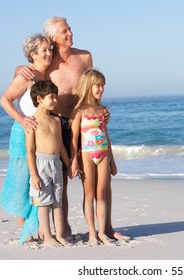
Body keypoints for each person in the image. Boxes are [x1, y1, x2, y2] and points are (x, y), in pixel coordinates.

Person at [17, 16, 129, 241]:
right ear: (52, 37)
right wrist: (19, 67)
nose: (70, 33)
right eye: (64, 31)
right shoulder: (48, 61)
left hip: (85, 121)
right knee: (61, 177)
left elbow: (92, 87)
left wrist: (100, 109)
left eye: (70, 29)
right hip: (59, 123)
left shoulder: (84, 56)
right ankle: (64, 229)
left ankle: (106, 227)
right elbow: (31, 70)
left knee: (101, 176)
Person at [0, 33, 53, 244]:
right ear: (33, 54)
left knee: (37, 181)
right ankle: (26, 230)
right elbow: (5, 100)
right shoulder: (26, 75)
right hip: (23, 135)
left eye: (49, 49)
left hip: (41, 137)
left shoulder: (45, 77)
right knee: (22, 182)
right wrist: (22, 120)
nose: (48, 53)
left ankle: (37, 228)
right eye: (44, 50)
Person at [69, 69, 116, 244]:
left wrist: (112, 160)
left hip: (103, 154)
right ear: (88, 85)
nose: (101, 89)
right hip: (87, 155)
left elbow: (106, 135)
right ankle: (91, 233)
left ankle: (102, 231)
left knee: (101, 194)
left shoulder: (102, 110)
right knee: (89, 195)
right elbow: (74, 139)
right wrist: (74, 161)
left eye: (103, 85)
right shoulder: (79, 111)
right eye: (97, 85)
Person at [26, 80, 72, 247]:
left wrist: (68, 165)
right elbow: (30, 151)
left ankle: (59, 235)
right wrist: (34, 174)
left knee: (57, 200)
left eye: (56, 97)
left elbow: (60, 145)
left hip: (56, 164)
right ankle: (48, 236)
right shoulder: (32, 122)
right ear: (39, 98)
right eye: (52, 97)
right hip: (41, 163)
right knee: (43, 202)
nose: (55, 101)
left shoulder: (57, 120)